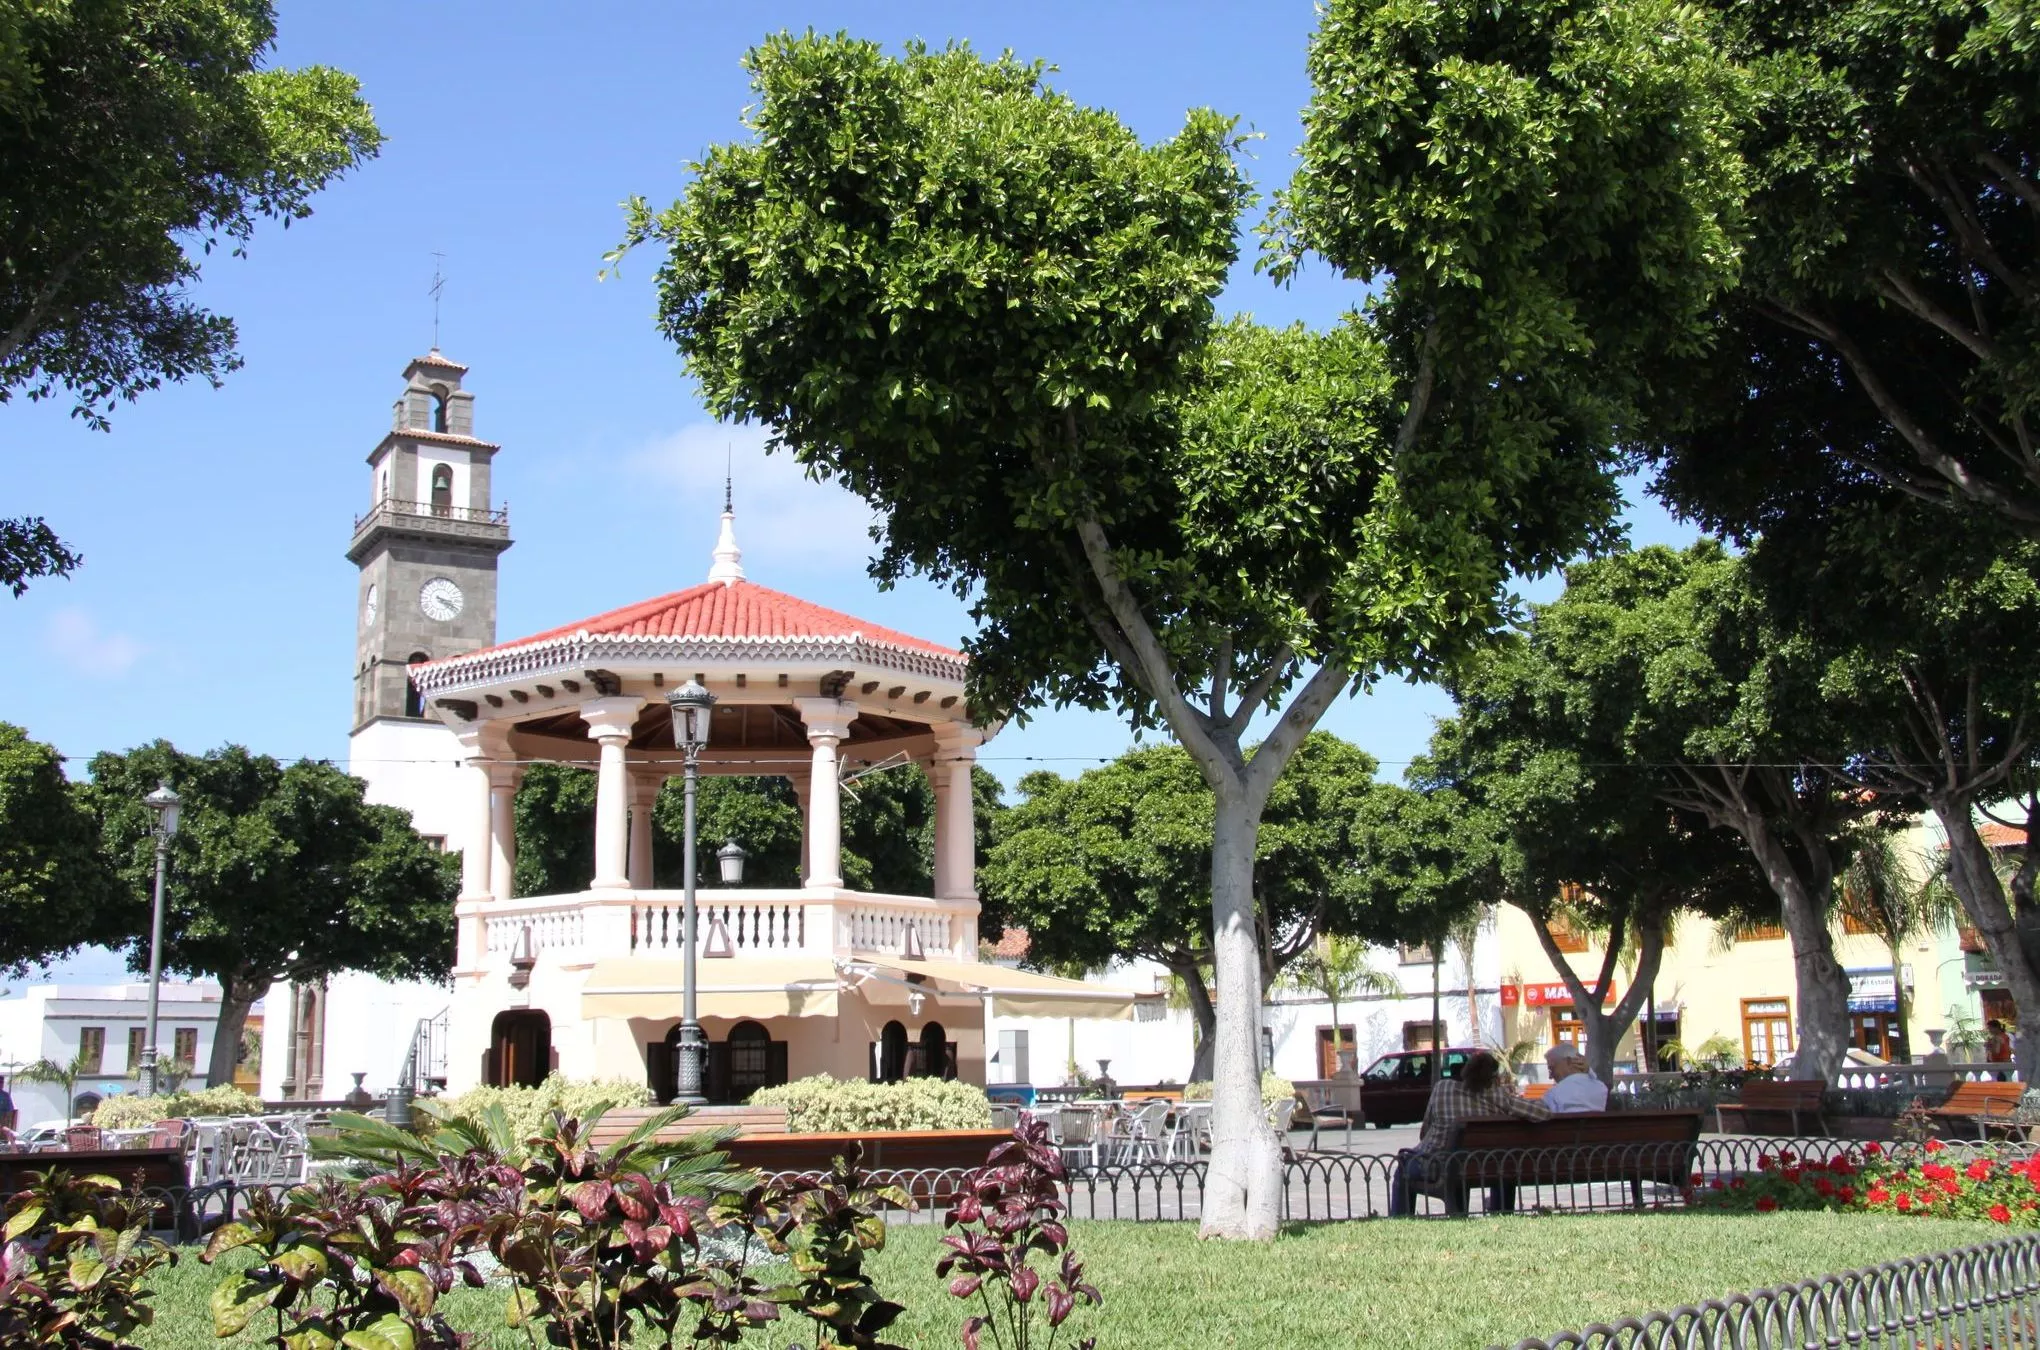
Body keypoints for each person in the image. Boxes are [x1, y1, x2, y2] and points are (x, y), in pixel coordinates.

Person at [1389, 1050, 1551, 1215]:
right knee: (1492, 1166)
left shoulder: (1442, 1088)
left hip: (1435, 1165)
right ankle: (1499, 1212)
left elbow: (1424, 1132)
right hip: (1482, 1166)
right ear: (1493, 1078)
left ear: (1465, 1071)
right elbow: (1543, 1112)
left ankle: (1400, 1217)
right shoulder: (1499, 1097)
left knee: (1403, 1169)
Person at [1542, 1044, 1609, 1113]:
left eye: (1552, 1068)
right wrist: (1590, 1072)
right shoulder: (1602, 1088)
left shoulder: (1552, 1094)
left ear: (1568, 1061)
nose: (1550, 1077)